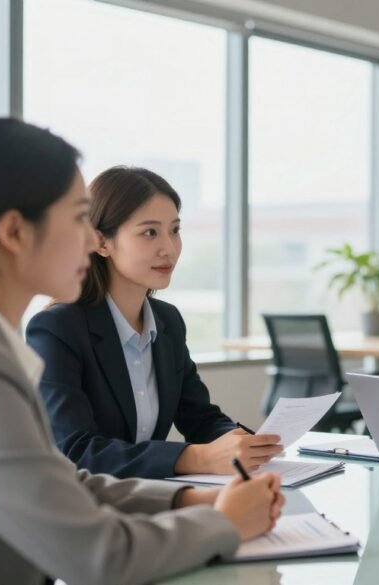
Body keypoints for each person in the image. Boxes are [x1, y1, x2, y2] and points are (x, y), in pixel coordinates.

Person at [0, 119, 283, 584]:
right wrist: (224, 523)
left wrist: (192, 499)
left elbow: (59, 484)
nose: (90, 238)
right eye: (77, 217)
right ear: (14, 232)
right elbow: (99, 558)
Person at [27, 166, 281, 479]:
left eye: (174, 230)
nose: (169, 248)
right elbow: (77, 450)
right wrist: (197, 458)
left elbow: (199, 417)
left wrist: (245, 443)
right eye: (150, 232)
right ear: (102, 242)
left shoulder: (168, 321)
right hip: (84, 507)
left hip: (148, 497)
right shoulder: (57, 329)